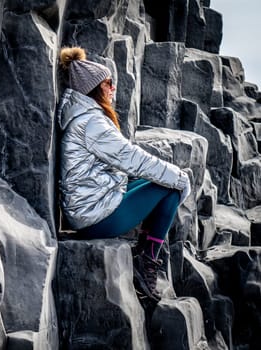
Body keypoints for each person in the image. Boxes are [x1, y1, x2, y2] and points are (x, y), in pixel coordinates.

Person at [57, 46, 191, 302]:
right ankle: (147, 262)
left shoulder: (84, 117)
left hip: (91, 208)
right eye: (109, 83)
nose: (113, 88)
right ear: (96, 88)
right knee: (171, 187)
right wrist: (180, 178)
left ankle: (144, 255)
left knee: (159, 181)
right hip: (95, 218)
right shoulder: (91, 123)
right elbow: (132, 158)